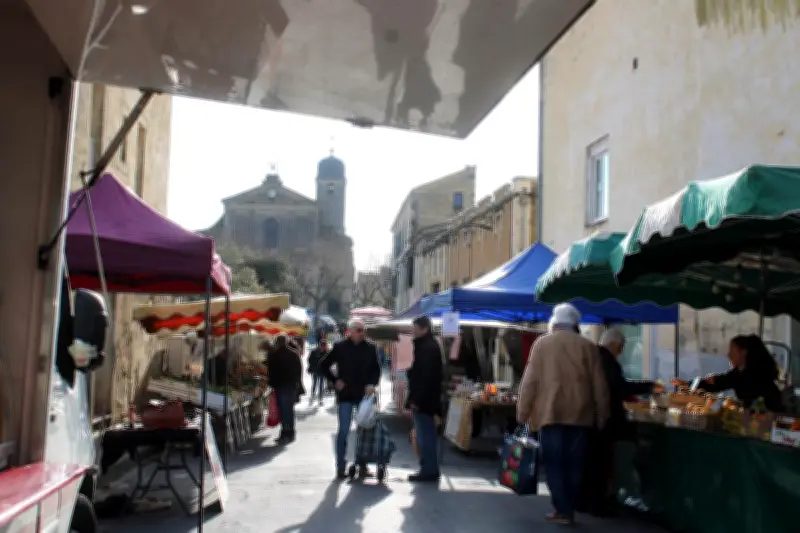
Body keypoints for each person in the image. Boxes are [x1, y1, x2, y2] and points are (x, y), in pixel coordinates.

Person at [517, 303, 610, 526]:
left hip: (550, 414)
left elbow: (529, 383)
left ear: (554, 323)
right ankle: (568, 507)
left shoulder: (542, 344)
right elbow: (600, 385)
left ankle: (562, 509)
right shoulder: (588, 347)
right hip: (581, 415)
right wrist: (602, 414)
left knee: (554, 463)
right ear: (574, 324)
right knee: (575, 464)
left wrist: (522, 413)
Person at [580, 328, 664, 516]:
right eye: (622, 347)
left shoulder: (594, 357)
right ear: (615, 345)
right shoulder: (606, 361)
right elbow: (619, 387)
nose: (622, 351)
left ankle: (589, 502)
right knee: (600, 463)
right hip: (603, 419)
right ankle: (597, 503)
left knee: (594, 462)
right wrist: (648, 386)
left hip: (591, 417)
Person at [319, 318, 382, 479]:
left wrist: (372, 384)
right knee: (344, 431)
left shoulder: (370, 347)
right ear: (350, 331)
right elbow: (323, 365)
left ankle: (362, 465)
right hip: (346, 395)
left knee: (364, 431)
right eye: (359, 330)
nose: (362, 333)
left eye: (363, 330)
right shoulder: (340, 347)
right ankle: (341, 466)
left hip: (364, 397)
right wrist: (335, 381)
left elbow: (376, 369)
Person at [672, 334, 784, 412]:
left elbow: (722, 382)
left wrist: (692, 384)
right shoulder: (740, 373)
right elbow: (720, 382)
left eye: (732, 351)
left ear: (743, 352)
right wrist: (689, 384)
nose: (728, 355)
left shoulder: (755, 374)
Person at [405, 315, 444, 482]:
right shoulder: (427, 345)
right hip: (426, 399)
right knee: (425, 434)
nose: (412, 331)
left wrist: (416, 400)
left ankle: (428, 469)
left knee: (425, 435)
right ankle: (429, 468)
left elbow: (426, 377)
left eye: (415, 328)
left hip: (424, 400)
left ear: (424, 329)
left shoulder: (427, 348)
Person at [267, 334, 302, 443]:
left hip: (280, 386)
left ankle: (285, 433)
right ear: (286, 342)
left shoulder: (274, 355)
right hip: (290, 386)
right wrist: (297, 384)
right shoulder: (294, 354)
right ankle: (290, 432)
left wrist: (272, 385)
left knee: (282, 411)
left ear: (277, 342)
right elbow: (299, 370)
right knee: (289, 410)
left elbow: (270, 372)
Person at [307, 340, 329, 406]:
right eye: (323, 346)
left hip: (322, 371)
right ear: (320, 346)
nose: (324, 348)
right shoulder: (314, 352)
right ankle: (313, 396)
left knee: (321, 385)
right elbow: (309, 360)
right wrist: (313, 366)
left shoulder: (326, 352)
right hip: (315, 370)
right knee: (315, 384)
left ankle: (320, 399)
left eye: (324, 346)